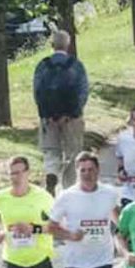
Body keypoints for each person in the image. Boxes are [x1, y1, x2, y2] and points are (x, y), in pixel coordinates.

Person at [48, 151, 121, 268]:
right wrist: (70, 235)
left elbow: (118, 218)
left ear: (98, 170)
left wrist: (126, 234)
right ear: (77, 172)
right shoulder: (66, 196)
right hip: (75, 263)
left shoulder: (109, 193)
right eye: (83, 170)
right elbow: (51, 227)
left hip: (102, 261)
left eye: (91, 169)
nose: (87, 174)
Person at [33, 29, 89, 193]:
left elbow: (37, 91)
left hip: (48, 118)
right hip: (71, 118)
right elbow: (83, 92)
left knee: (51, 151)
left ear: (52, 45)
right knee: (73, 153)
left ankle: (51, 174)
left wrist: (46, 115)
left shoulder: (43, 66)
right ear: (68, 44)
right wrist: (72, 113)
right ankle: (69, 187)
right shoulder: (76, 66)